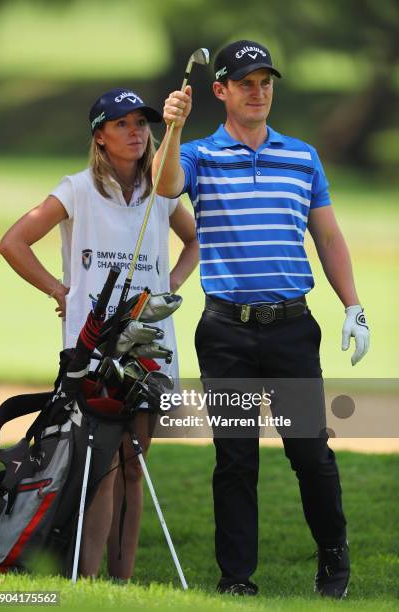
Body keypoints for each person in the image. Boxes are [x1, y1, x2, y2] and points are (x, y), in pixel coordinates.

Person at [152, 40, 370, 599]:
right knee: (235, 458)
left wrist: (353, 305)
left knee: (310, 452)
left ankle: (334, 557)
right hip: (226, 331)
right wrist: (172, 128)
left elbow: (327, 235)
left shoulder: (302, 156)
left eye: (265, 81)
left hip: (292, 329)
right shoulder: (200, 155)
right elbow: (163, 185)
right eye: (245, 82)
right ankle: (235, 579)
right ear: (219, 90)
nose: (258, 91)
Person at [0, 87, 199, 579]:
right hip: (92, 350)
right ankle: (88, 578)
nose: (137, 132)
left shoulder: (162, 191)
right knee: (102, 465)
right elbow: (13, 242)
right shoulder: (77, 189)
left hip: (151, 349)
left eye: (142, 123)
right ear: (100, 137)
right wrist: (59, 291)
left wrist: (169, 282)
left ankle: (122, 579)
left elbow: (195, 241)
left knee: (134, 463)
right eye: (123, 124)